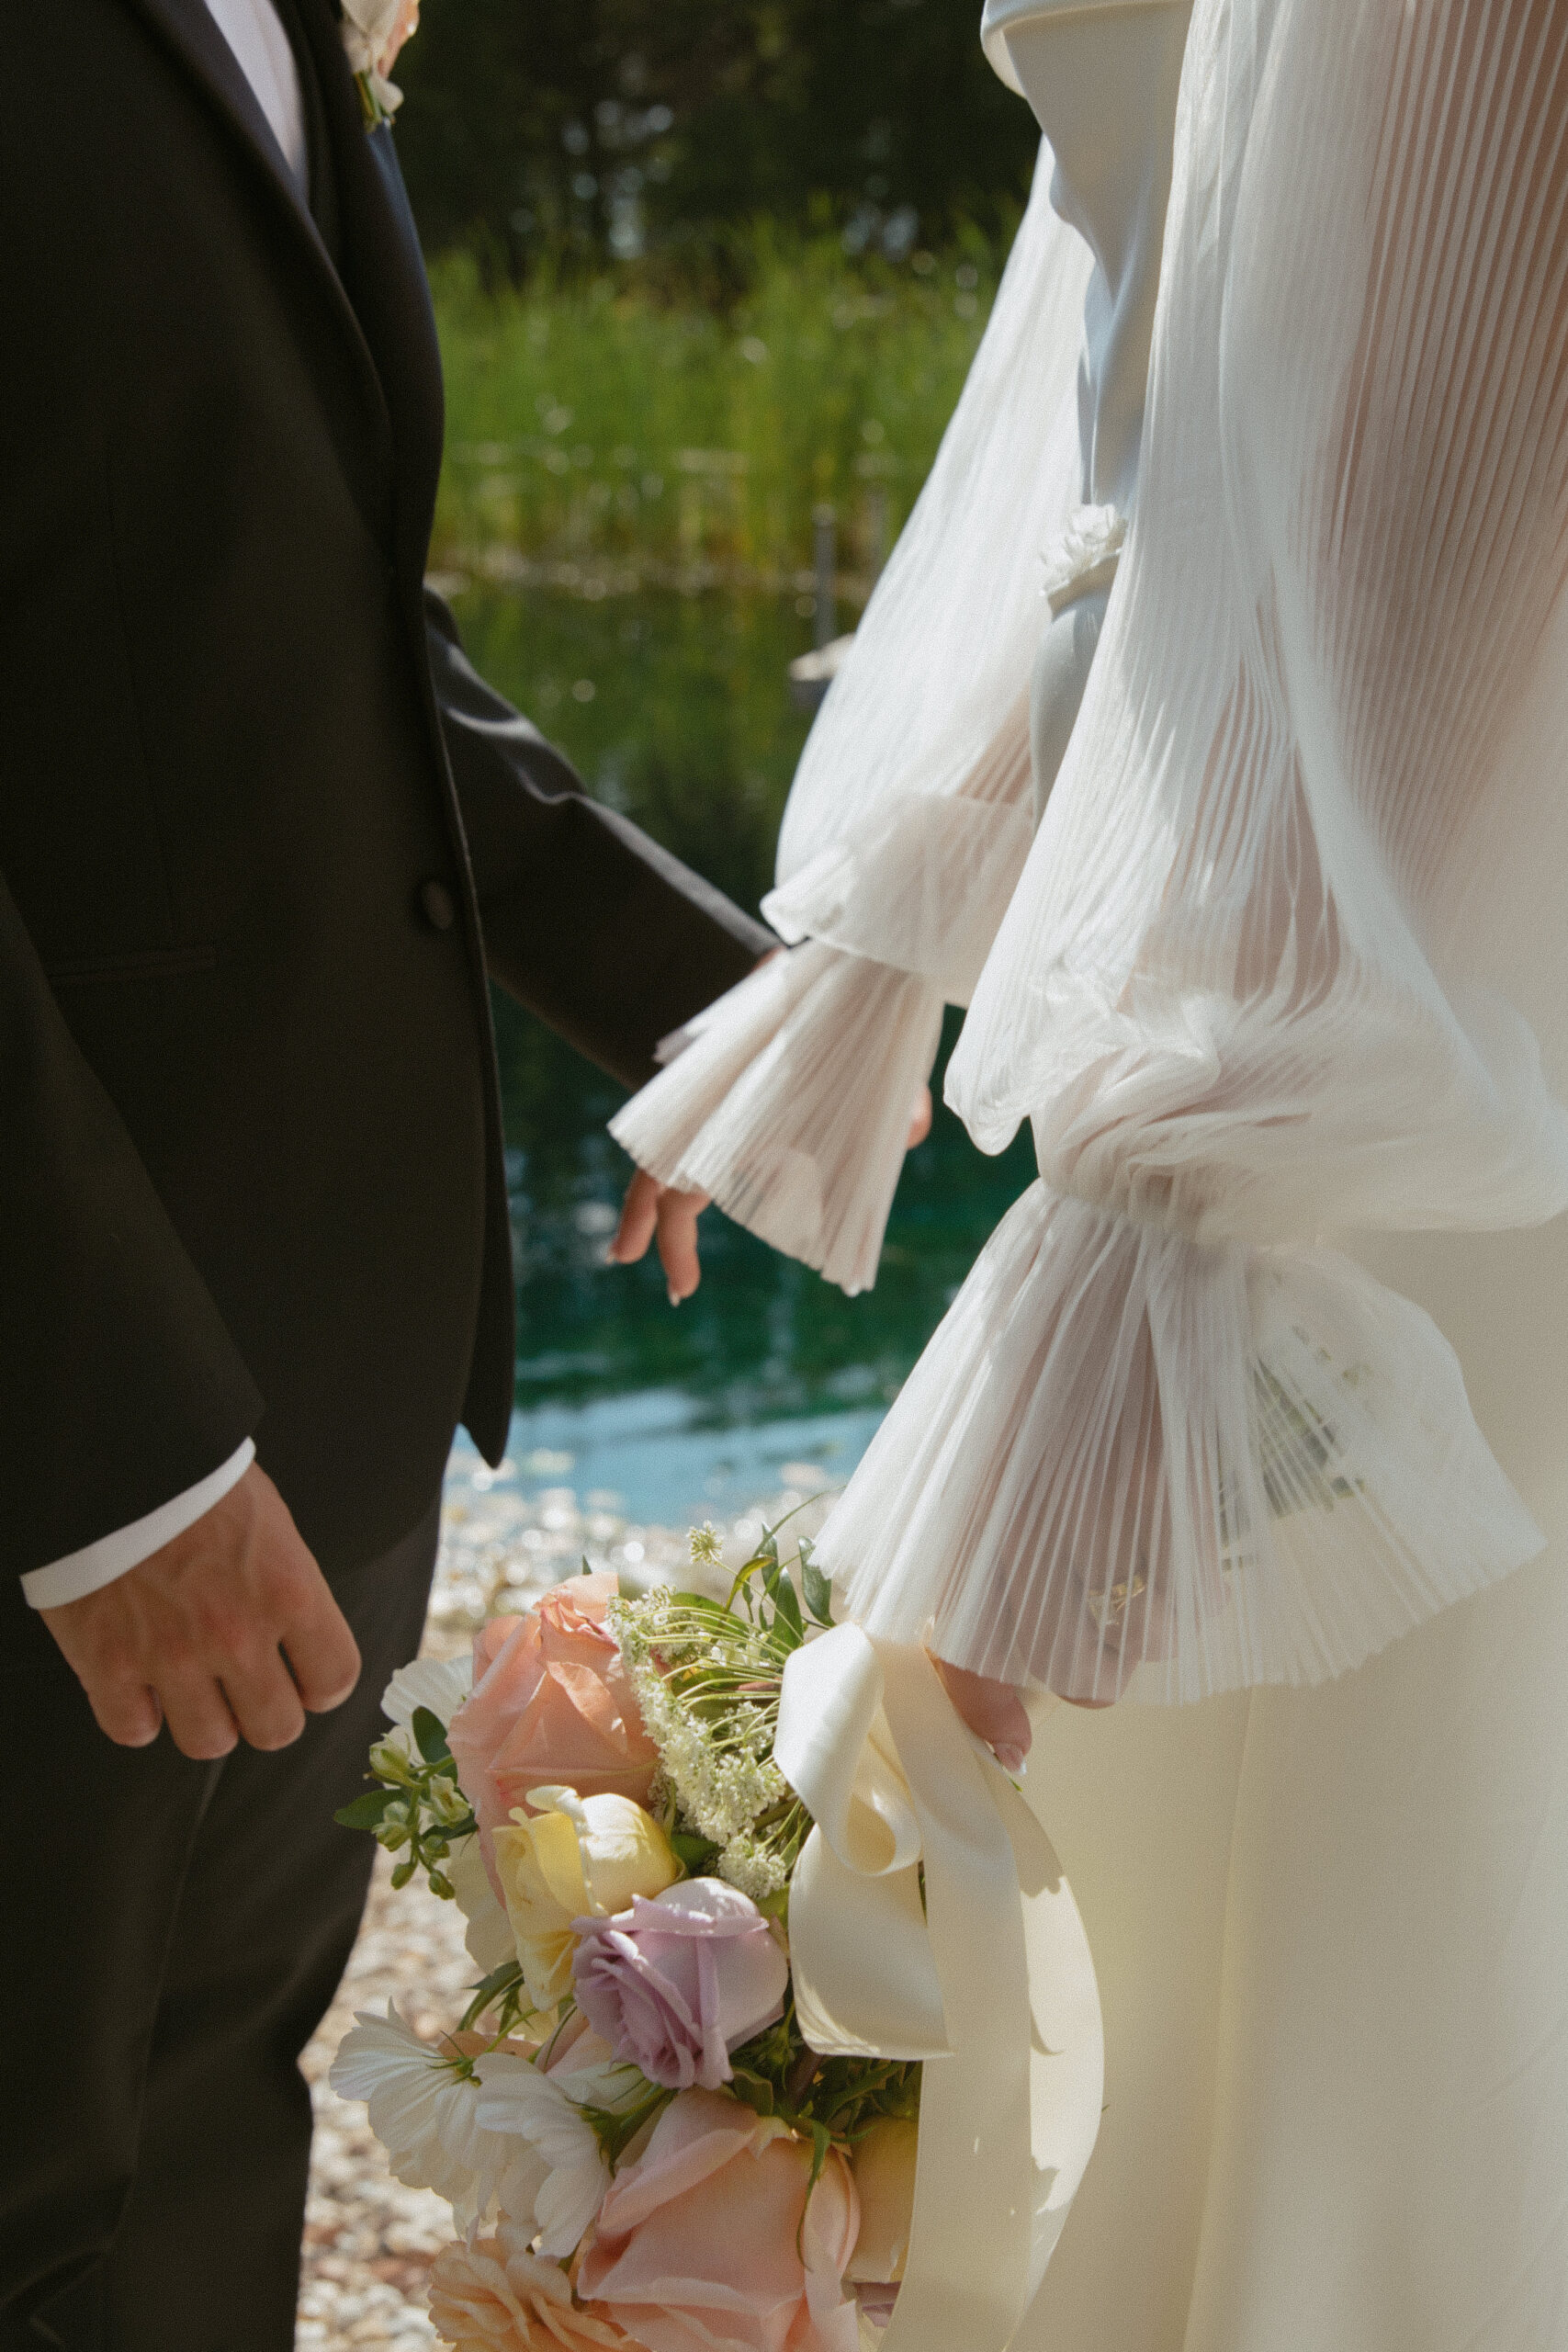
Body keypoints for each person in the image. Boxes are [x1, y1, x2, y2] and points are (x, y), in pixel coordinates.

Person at [613, 0, 1568, 2339]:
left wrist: (1176, 1205)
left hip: (1379, 1033)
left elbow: (1451, 455)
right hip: (1232, 976)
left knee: (1337, 1927)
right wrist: (893, 923)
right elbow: (1133, 375)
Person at [0, 3, 778, 2344]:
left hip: (311, 1350)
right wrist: (102, 1446)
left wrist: (691, 992)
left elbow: (291, 603)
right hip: (87, 1408)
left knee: (195, 2145)